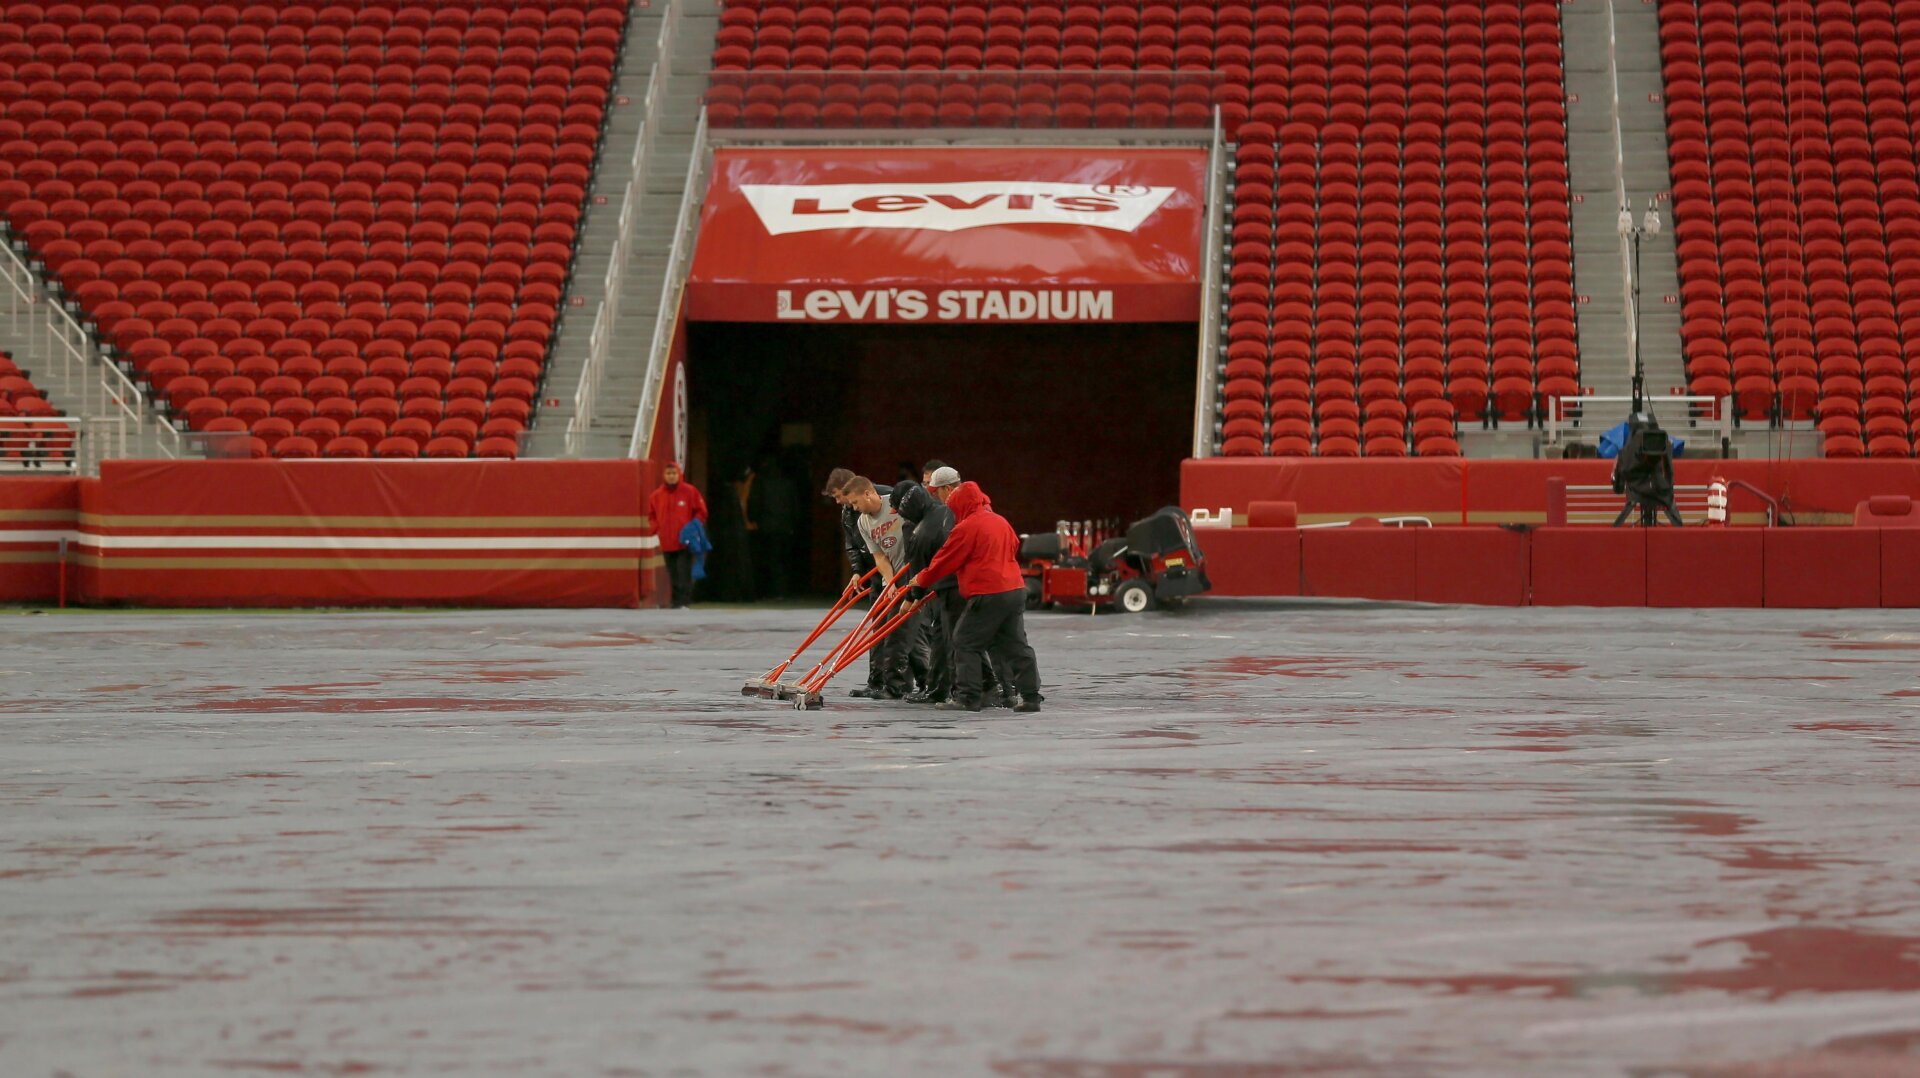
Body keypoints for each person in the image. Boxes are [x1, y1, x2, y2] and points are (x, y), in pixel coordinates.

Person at [906, 481, 1043, 713]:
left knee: (964, 641)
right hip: (1014, 590)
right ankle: (1030, 697)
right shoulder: (1000, 521)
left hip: (988, 593)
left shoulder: (966, 527)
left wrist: (920, 579)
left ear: (960, 504)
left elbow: (945, 560)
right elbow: (1014, 545)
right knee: (1016, 645)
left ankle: (968, 697)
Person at [842, 475, 916, 699]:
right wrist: (890, 582)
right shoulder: (863, 522)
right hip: (892, 576)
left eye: (855, 503)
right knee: (884, 629)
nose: (854, 508)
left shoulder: (895, 506)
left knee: (897, 634)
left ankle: (896, 687)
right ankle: (907, 681)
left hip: (911, 572)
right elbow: (879, 557)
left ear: (867, 493)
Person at [825, 468, 893, 699]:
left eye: (838, 495)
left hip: (894, 568)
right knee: (878, 626)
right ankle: (876, 682)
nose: (839, 502)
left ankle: (912, 682)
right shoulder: (849, 511)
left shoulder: (886, 498)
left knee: (901, 630)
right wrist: (856, 571)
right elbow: (852, 543)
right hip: (875, 570)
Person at [891, 480, 952, 703]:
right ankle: (991, 687)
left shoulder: (921, 531)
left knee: (944, 640)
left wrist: (912, 598)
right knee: (966, 641)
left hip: (946, 589)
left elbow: (919, 570)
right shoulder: (947, 513)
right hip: (960, 586)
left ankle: (941, 690)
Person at [648, 462, 708, 607]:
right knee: (672, 573)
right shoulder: (656, 496)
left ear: (679, 474)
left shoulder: (690, 492)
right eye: (668, 474)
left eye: (674, 473)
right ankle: (675, 602)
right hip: (667, 542)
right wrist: (657, 529)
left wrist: (693, 526)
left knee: (683, 573)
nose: (671, 477)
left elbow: (701, 512)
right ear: (664, 475)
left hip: (685, 542)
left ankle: (684, 602)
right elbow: (651, 516)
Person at [1611, 413, 1683, 527]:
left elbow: (1623, 473)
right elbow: (1669, 471)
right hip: (1662, 491)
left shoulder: (1628, 449)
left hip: (1641, 489)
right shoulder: (1665, 441)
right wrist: (1668, 485)